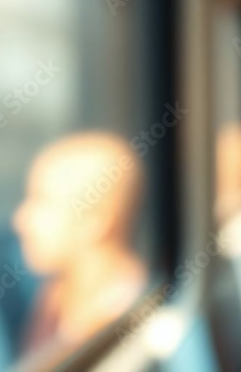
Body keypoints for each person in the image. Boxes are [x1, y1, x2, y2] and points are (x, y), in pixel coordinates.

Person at [10, 132, 148, 370]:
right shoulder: (56, 295)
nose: (20, 220)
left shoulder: (123, 322)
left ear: (96, 222)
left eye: (43, 201)